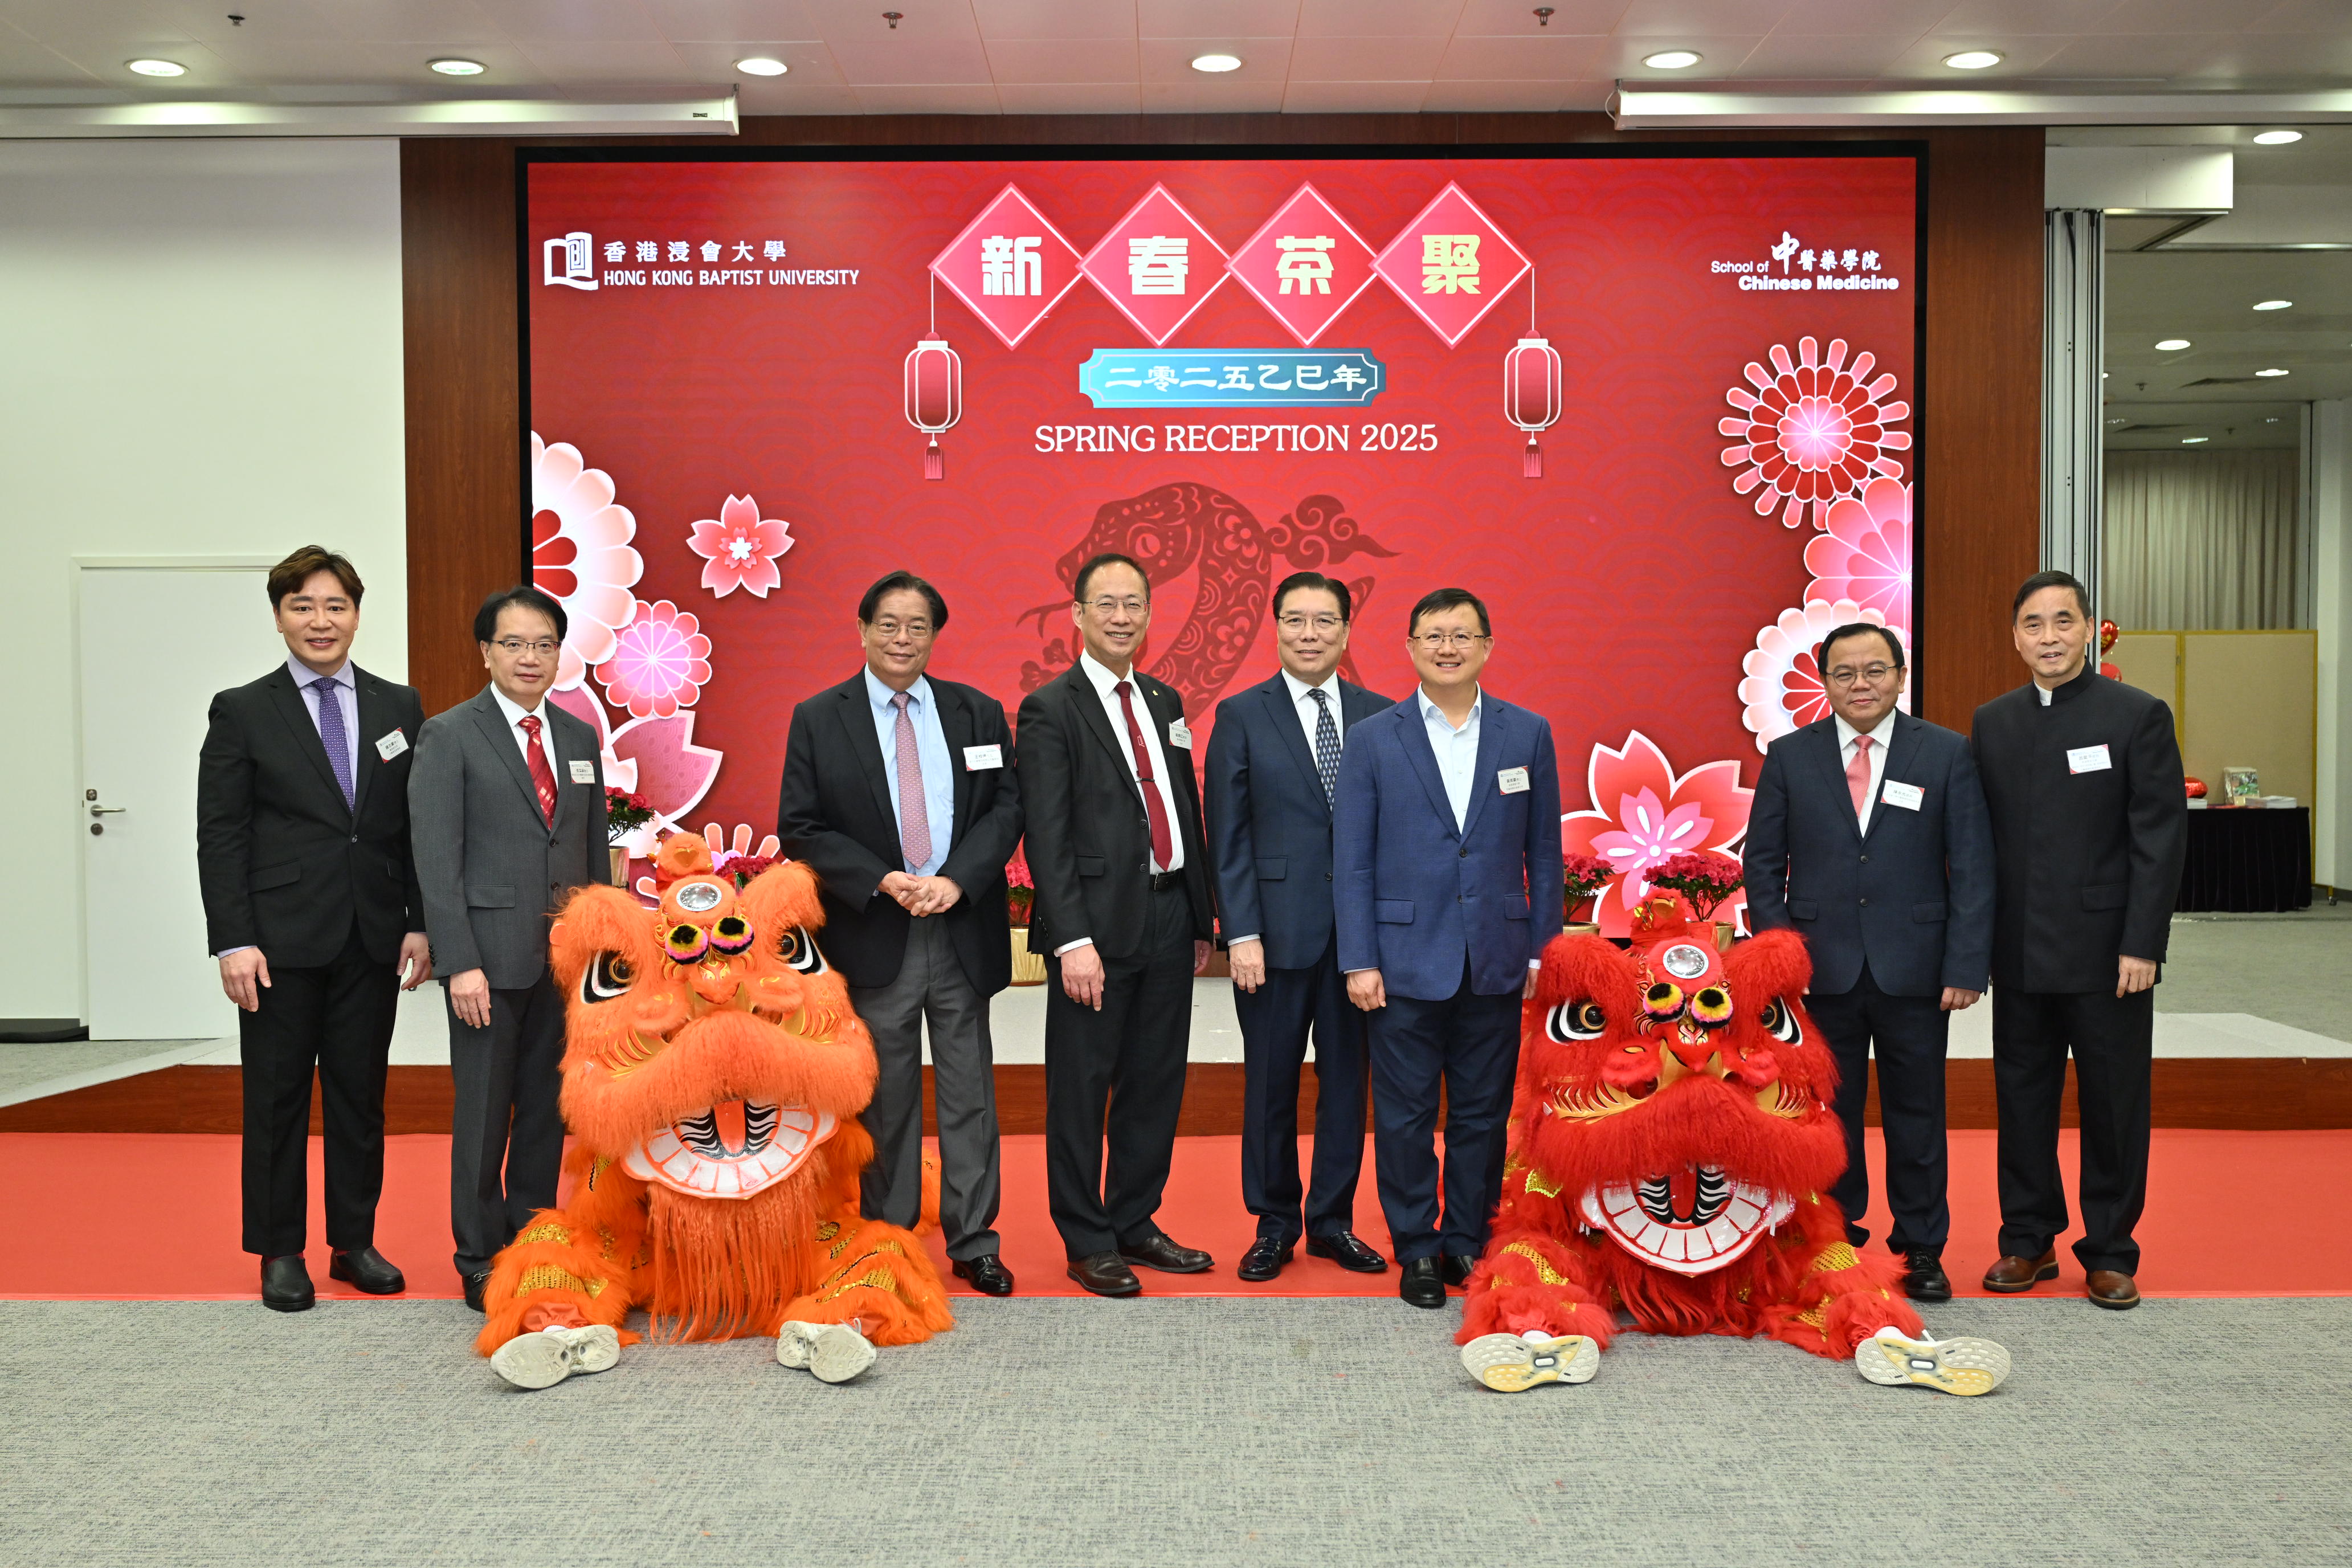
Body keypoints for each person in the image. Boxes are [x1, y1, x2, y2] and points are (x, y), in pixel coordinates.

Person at [775, 570, 1025, 1297]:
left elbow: (1006, 809)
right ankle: (889, 1239)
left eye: (918, 626)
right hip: (875, 928)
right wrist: (884, 879)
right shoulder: (821, 717)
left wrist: (958, 880)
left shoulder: (977, 713)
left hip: (959, 928)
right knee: (884, 1098)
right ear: (862, 630)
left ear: (935, 636)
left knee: (969, 1092)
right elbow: (802, 824)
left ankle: (975, 1240)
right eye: (888, 624)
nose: (902, 639)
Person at [196, 546, 433, 1312]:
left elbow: (412, 828)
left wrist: (419, 924)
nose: (320, 621)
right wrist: (233, 939)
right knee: (277, 1099)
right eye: (303, 607)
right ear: (279, 618)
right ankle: (280, 1250)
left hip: (372, 934)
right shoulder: (243, 708)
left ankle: (354, 1242)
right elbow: (221, 833)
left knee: (362, 1098)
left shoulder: (401, 706)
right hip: (278, 942)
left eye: (335, 606)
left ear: (357, 615)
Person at [1743, 623, 1994, 1303]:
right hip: (1818, 970)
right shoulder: (1791, 756)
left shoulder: (1945, 754)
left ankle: (1920, 1246)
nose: (1862, 684)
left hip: (1916, 967)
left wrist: (1966, 963)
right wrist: (1778, 956)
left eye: (1875, 670)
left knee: (1919, 1111)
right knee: (1827, 1112)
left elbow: (1972, 866)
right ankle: (1834, 1237)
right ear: (1824, 681)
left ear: (1901, 675)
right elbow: (1762, 866)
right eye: (1846, 672)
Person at [1334, 587, 1562, 1309]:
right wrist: (1358, 958)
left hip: (1494, 956)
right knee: (1402, 1114)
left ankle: (1467, 1237)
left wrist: (1541, 953)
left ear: (1487, 647)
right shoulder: (1375, 735)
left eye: (1463, 635)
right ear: (1409, 648)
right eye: (1433, 635)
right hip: (1400, 960)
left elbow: (1546, 856)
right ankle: (1417, 1246)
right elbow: (1354, 860)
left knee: (1480, 1112)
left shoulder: (1526, 732)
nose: (1448, 647)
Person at [1971, 570, 2185, 1310]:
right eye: (2034, 624)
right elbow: (1981, 842)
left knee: (2114, 1103)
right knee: (2021, 1099)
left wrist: (2143, 943)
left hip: (2109, 956)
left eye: (2064, 621)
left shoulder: (2137, 715)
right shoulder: (1992, 722)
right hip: (2021, 951)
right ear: (2016, 636)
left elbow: (2159, 838)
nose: (2050, 637)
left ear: (2089, 628)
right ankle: (2027, 1239)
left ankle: (2110, 1251)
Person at [1016, 552, 1216, 1297]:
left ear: (1149, 614)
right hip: (1093, 929)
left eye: (1134, 604)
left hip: (1168, 915)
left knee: (1155, 1080)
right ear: (1077, 614)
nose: (1122, 617)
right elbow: (1048, 831)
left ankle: (1136, 1219)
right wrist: (1072, 940)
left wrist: (1199, 913)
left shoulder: (1164, 700)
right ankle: (1087, 1236)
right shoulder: (1051, 707)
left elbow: (1182, 812)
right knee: (1081, 1084)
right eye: (1107, 604)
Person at [409, 585, 607, 1311]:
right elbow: (438, 857)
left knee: (546, 1109)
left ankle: (533, 1235)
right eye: (515, 644)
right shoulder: (450, 734)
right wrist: (458, 960)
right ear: (486, 651)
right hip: (485, 963)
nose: (531, 657)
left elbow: (588, 857)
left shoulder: (580, 737)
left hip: (563, 964)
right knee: (485, 1113)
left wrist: (597, 954)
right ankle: (476, 1252)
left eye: (544, 645)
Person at [1204, 571, 1394, 1283]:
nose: (1309, 634)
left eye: (1324, 621)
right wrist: (1241, 932)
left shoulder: (1382, 715)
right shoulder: (1241, 714)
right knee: (1270, 1085)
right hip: (1272, 941)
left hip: (1357, 945)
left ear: (1346, 631)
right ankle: (1274, 1222)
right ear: (1275, 628)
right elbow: (1227, 834)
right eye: (1295, 621)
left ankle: (1333, 1222)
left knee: (1348, 1085)